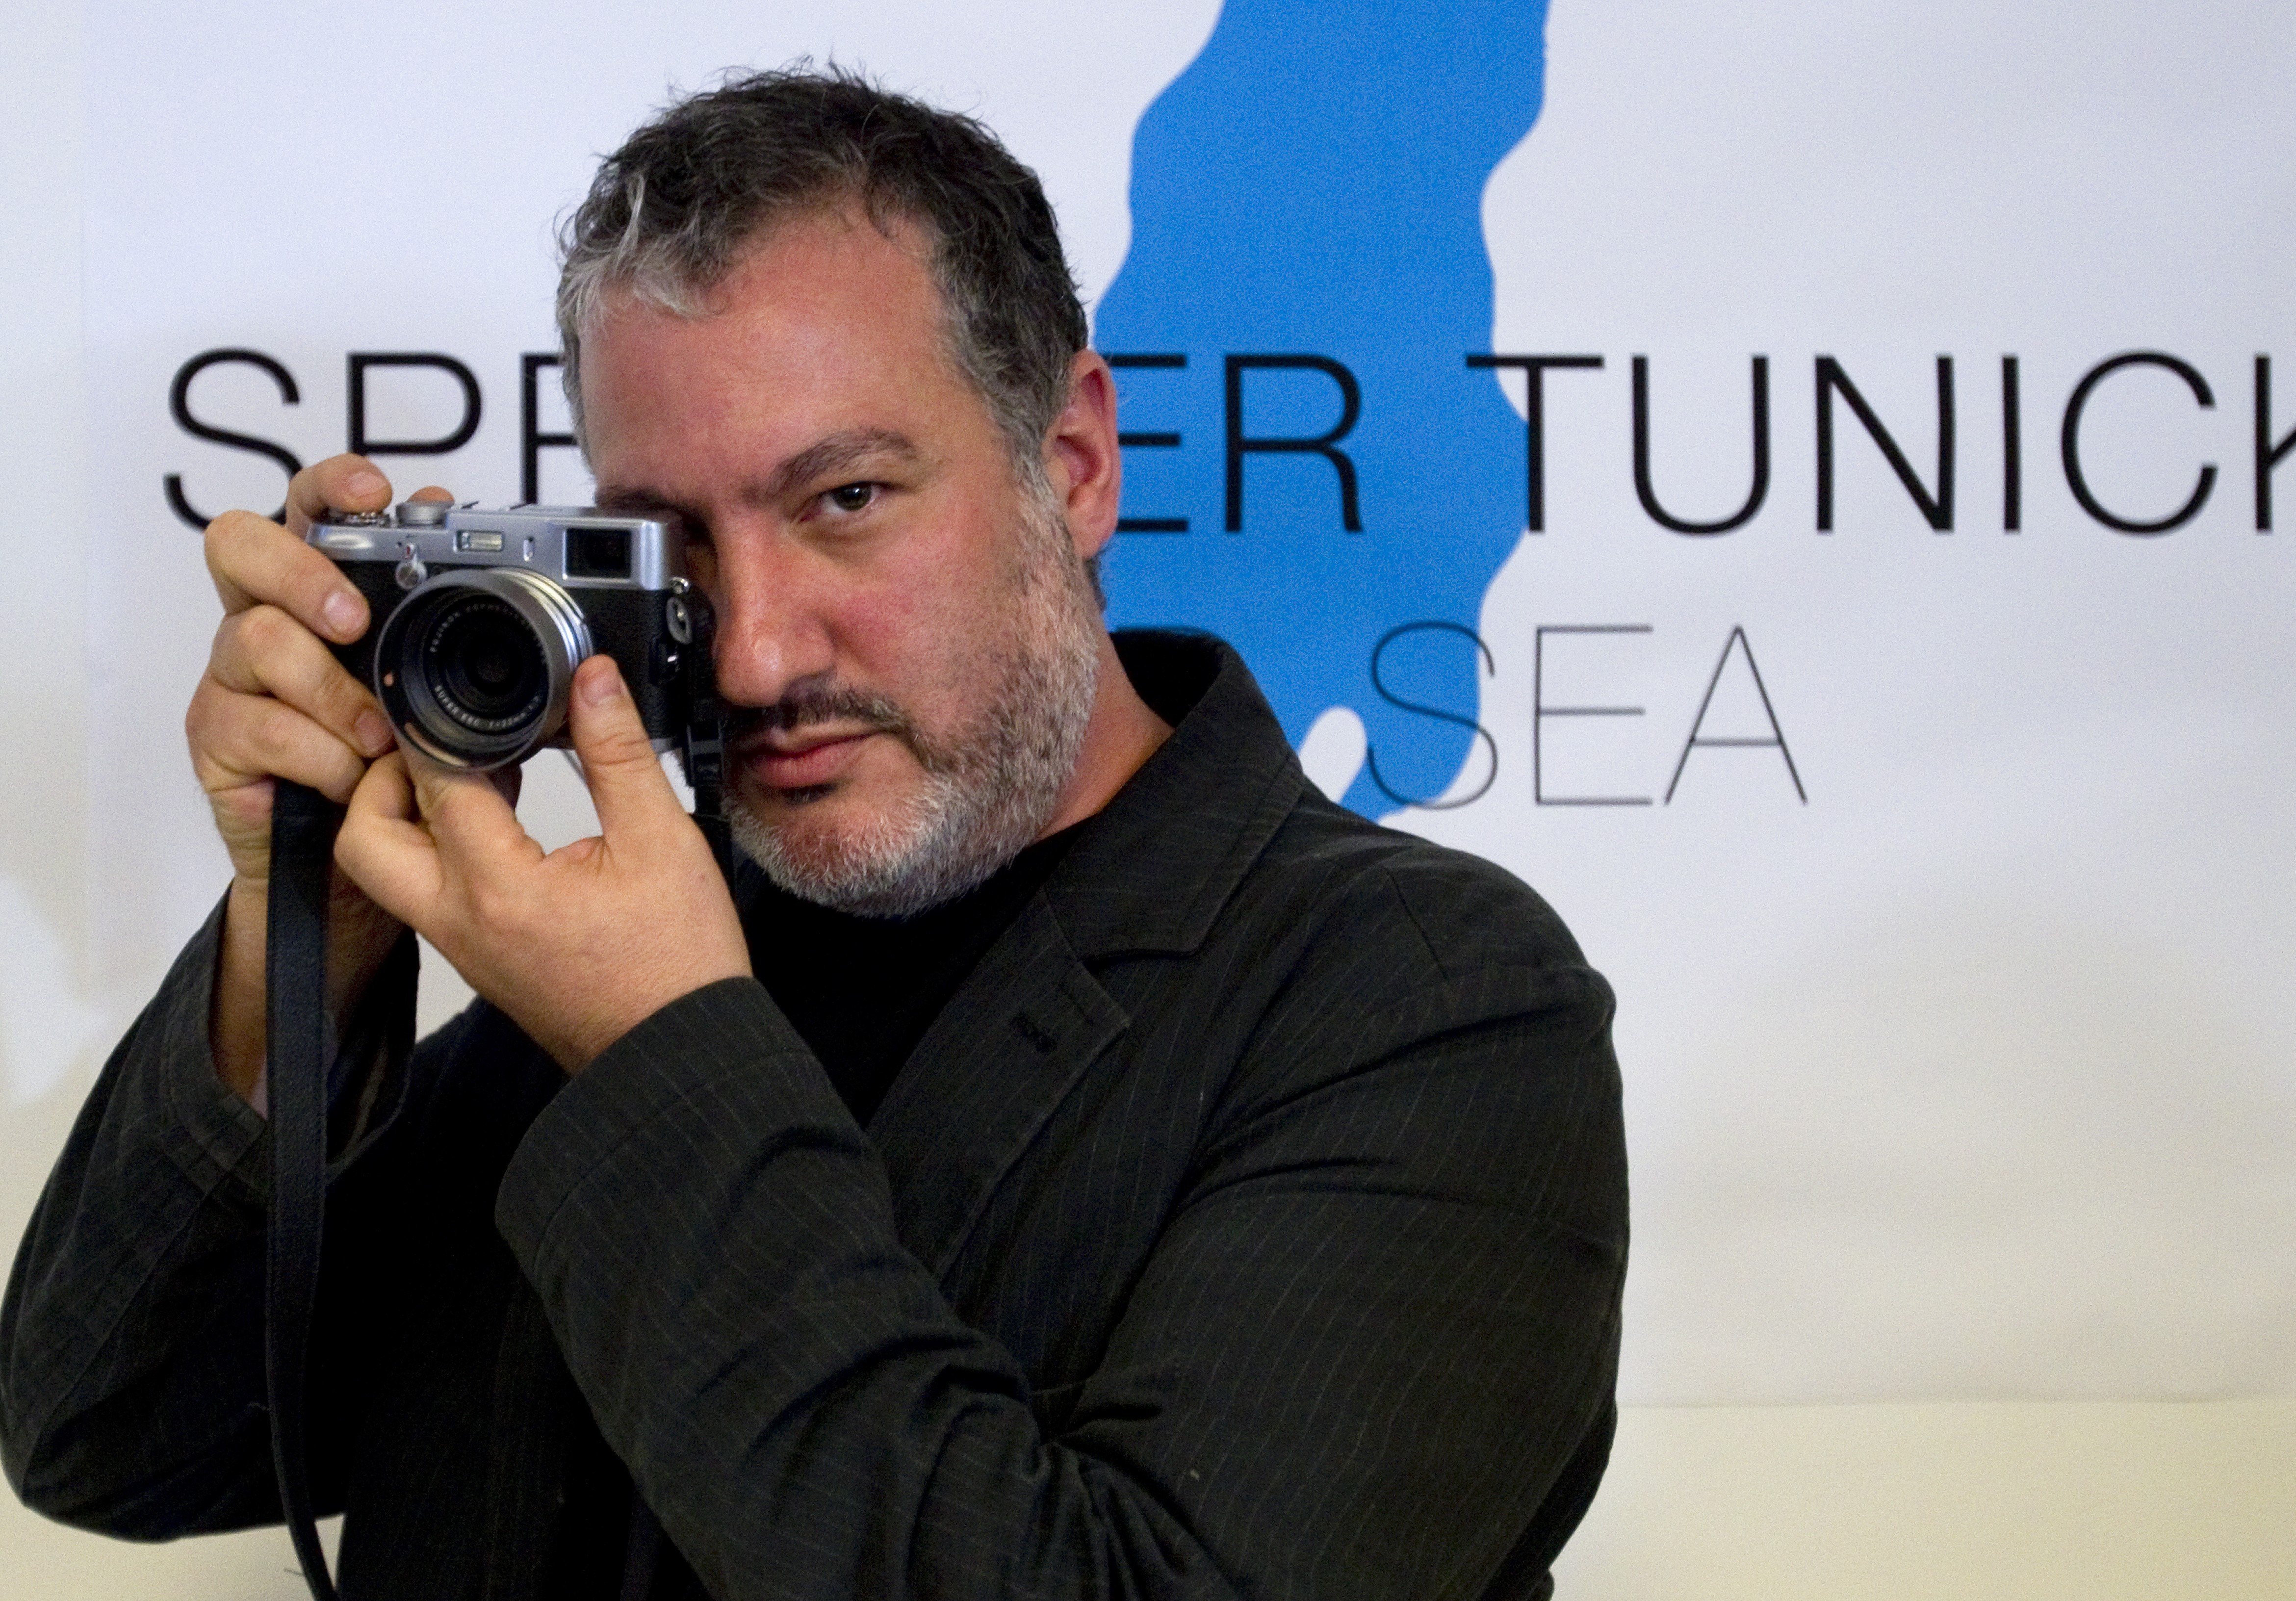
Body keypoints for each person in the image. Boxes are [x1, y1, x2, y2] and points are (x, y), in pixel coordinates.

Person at [1, 67, 1626, 1601]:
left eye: (845, 499)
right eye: (674, 539)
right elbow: (106, 1430)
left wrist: (656, 1052)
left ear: (1070, 464)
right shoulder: (615, 954)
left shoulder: (1424, 1001)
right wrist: (316, 935)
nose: (758, 651)